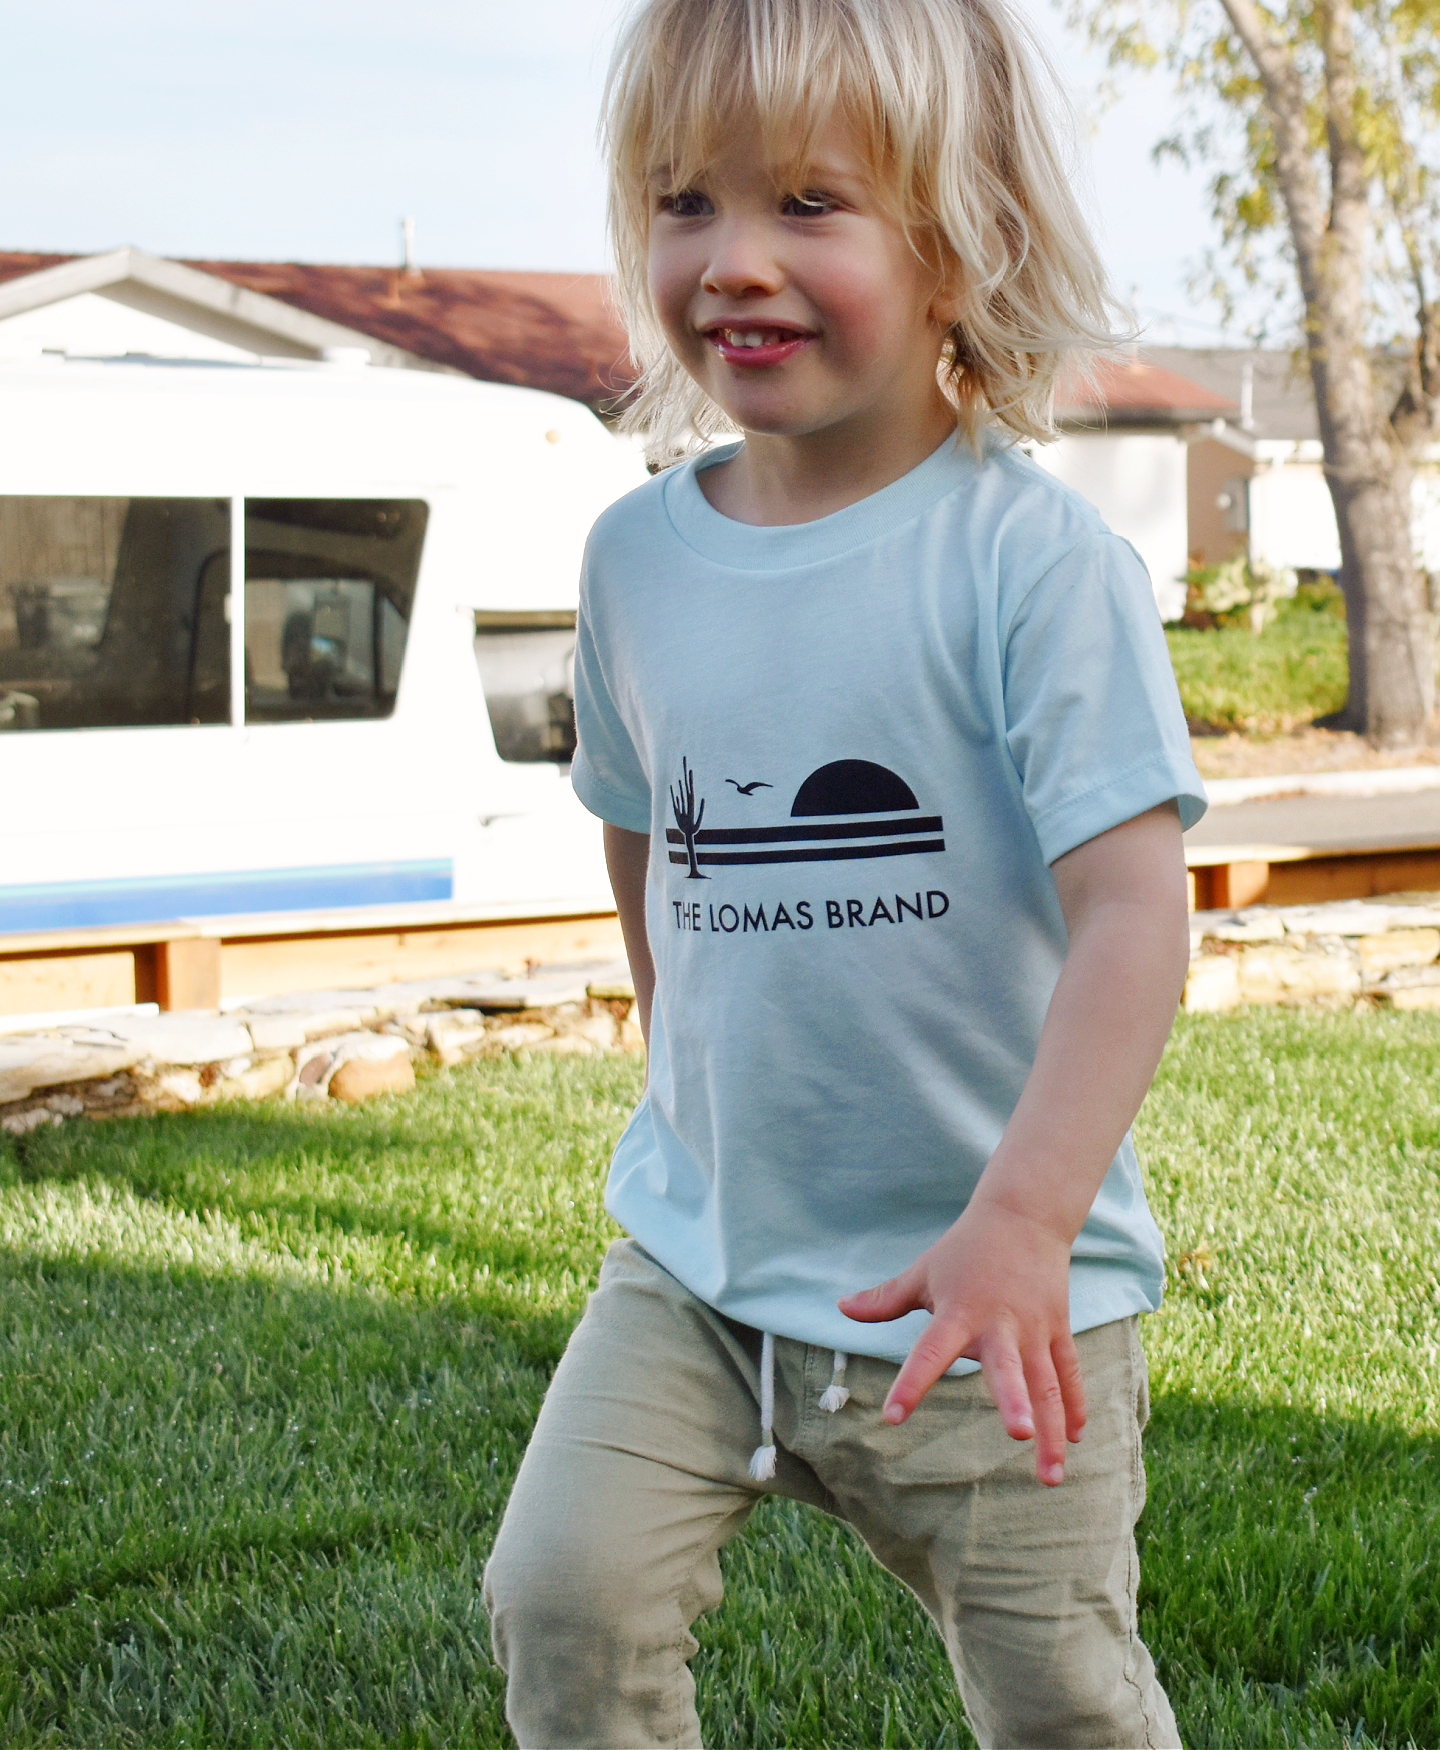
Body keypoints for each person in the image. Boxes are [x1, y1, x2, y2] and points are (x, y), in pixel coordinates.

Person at [483, 1, 1205, 1743]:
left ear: (960, 244)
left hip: (989, 1299)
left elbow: (1134, 913)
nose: (732, 260)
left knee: (1061, 1703)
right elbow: (643, 821)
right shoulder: (634, 557)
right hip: (701, 1266)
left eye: (810, 203)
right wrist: (683, 1074)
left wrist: (1024, 1220)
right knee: (560, 1594)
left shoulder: (1032, 567)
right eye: (683, 202)